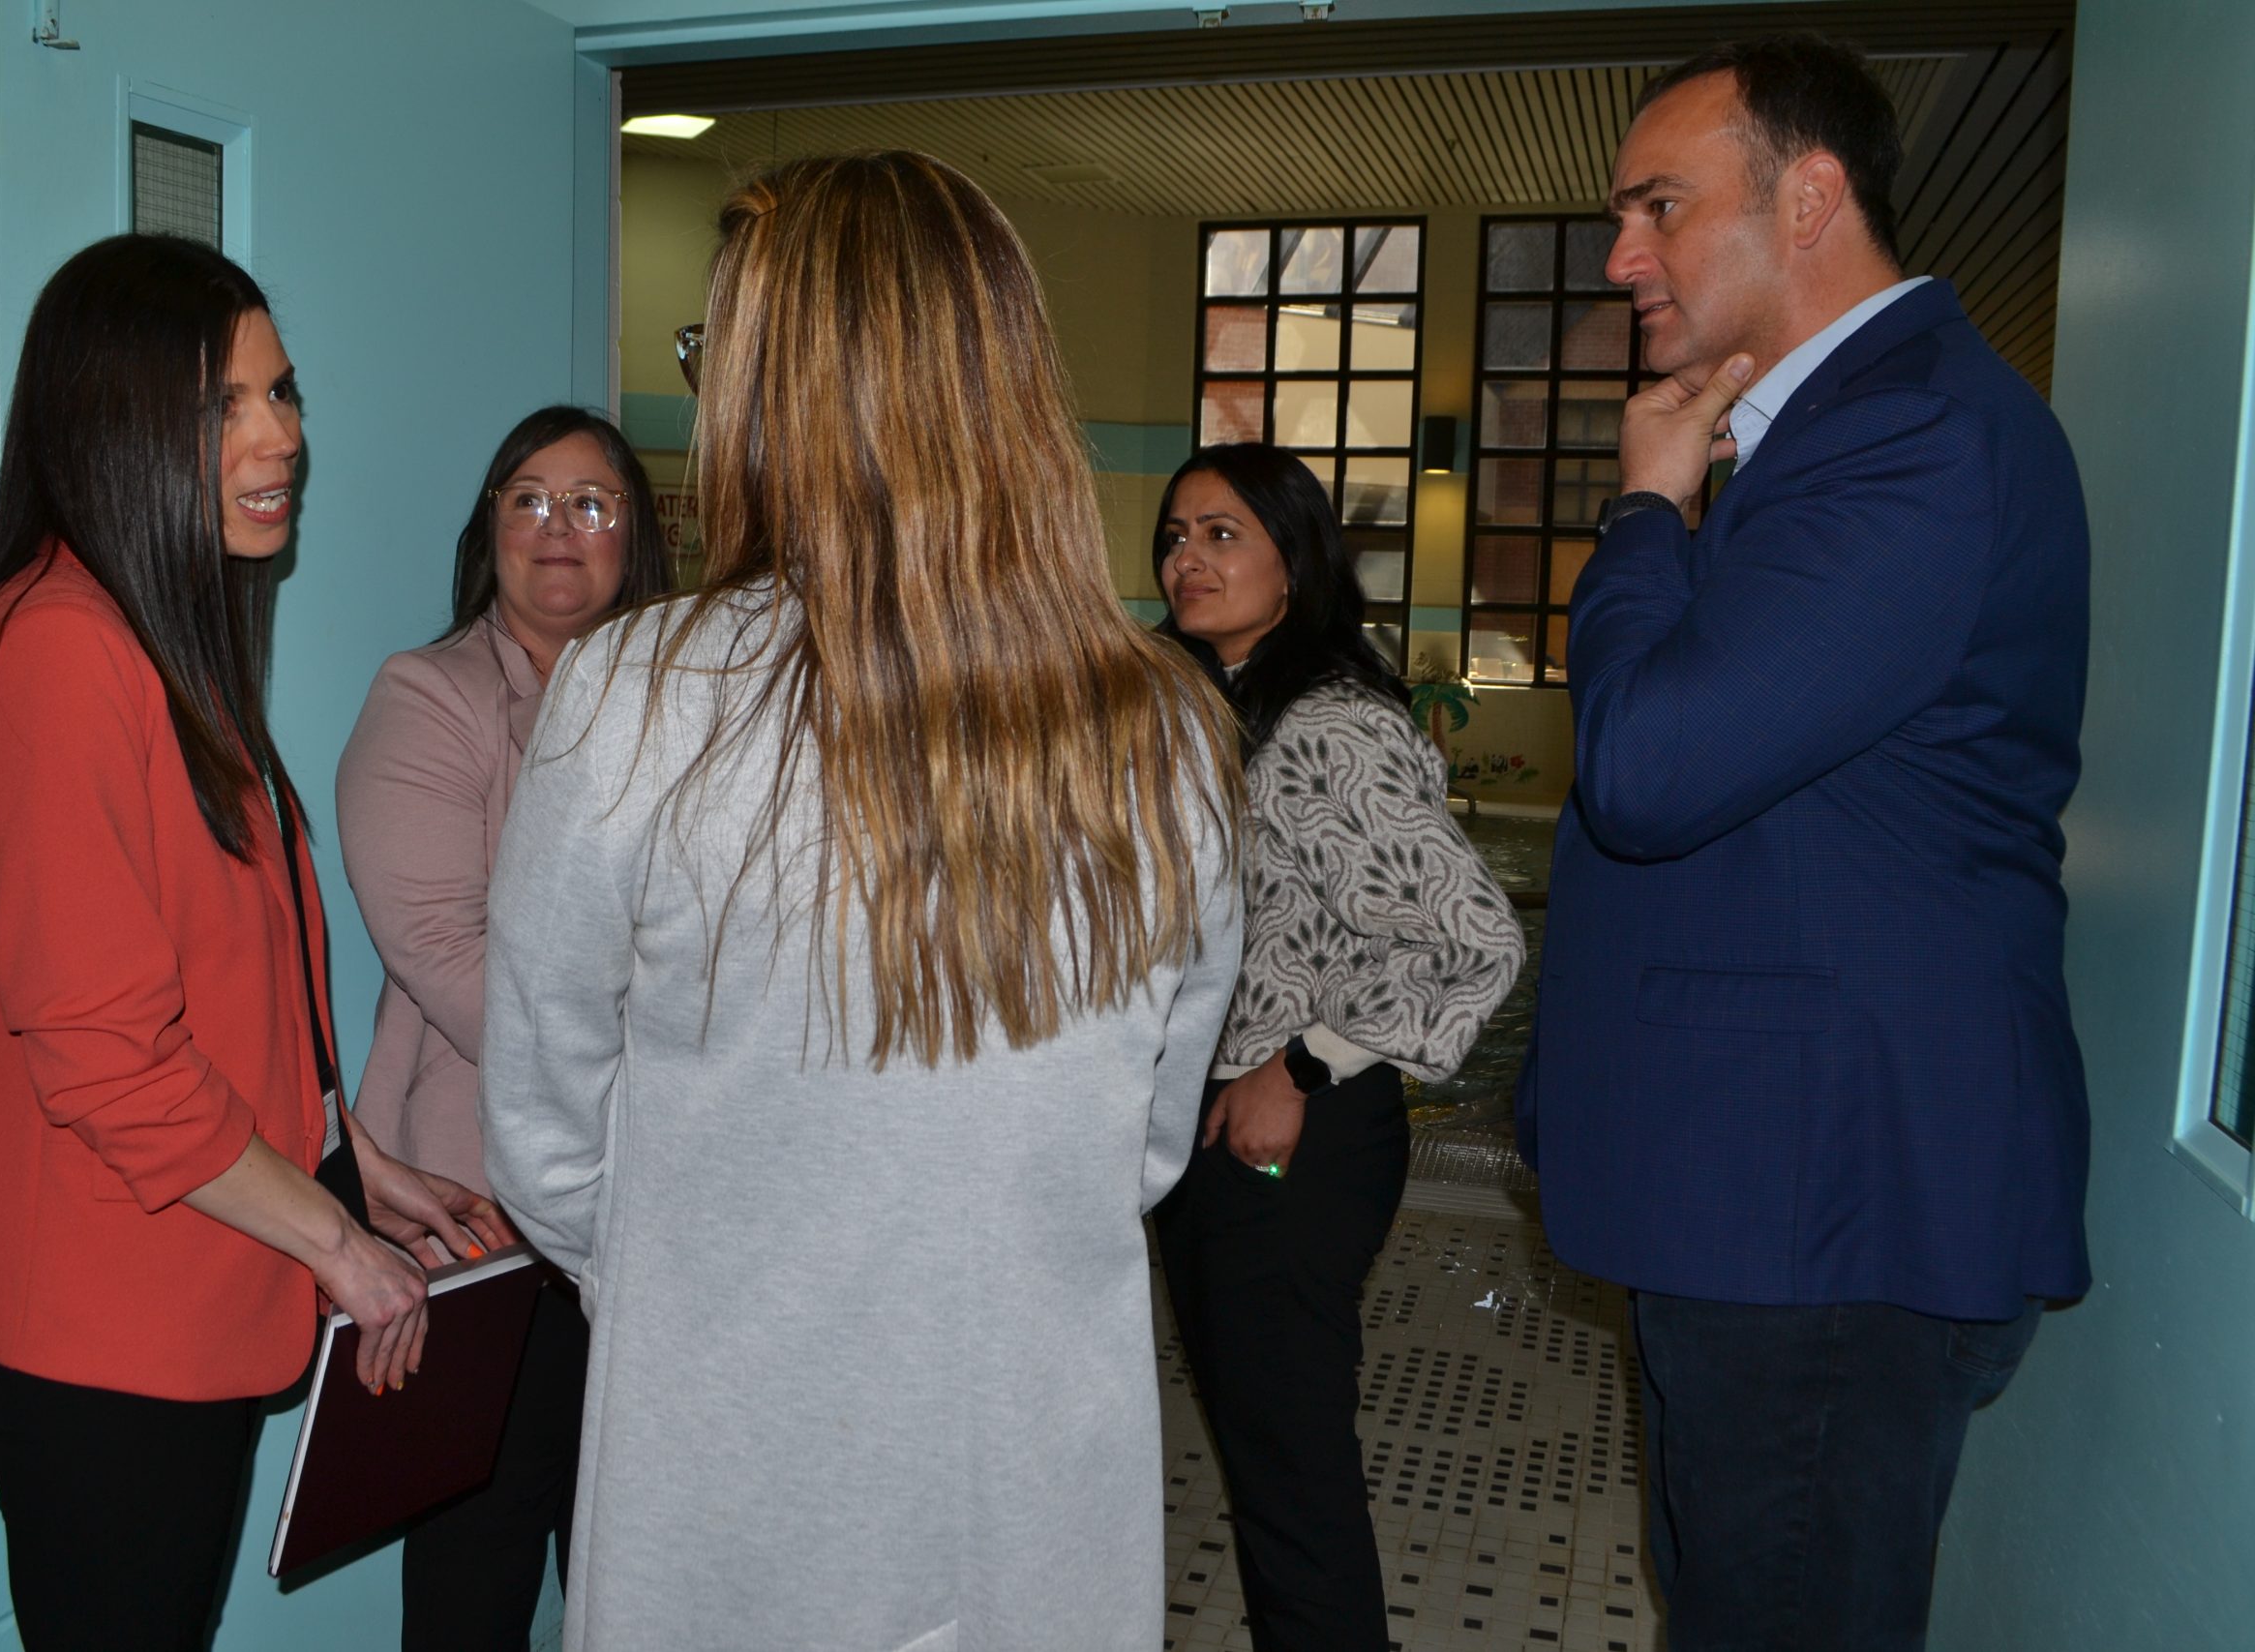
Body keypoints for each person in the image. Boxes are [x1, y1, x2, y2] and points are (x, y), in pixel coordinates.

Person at [476, 151, 1245, 1652]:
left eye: (714, 352)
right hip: (1025, 1456)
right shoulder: (1169, 728)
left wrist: (721, 1245)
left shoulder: (633, 695)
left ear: (776, 389)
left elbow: (549, 1130)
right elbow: (1146, 1135)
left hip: (736, 1466)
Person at [1518, 34, 2091, 1650]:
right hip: (1774, 1196)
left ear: (1813, 195)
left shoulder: (1911, 437)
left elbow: (1648, 761)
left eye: (1660, 206)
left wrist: (1641, 513)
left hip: (1829, 1209)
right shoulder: (1839, 440)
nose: (1623, 253)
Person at [0, 234, 512, 1652]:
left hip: (178, 1283)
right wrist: (341, 1247)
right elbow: (107, 1055)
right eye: (224, 406)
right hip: (95, 1322)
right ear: (114, 426)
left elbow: (227, 983)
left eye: (282, 394)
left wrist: (359, 1156)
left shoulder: (159, 639)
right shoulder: (53, 654)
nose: (279, 435)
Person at [1147, 443, 1523, 1651]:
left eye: (1221, 535)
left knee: (1292, 1474)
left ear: (1294, 563)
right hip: (1234, 1130)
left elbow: (1473, 940)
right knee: (1269, 1463)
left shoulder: (1324, 728)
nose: (1185, 559)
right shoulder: (1233, 706)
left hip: (1288, 1140)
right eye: (1175, 535)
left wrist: (1300, 1065)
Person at [337, 405, 670, 1648]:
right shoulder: (429, 697)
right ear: (489, 531)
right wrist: (664, 1085)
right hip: (485, 1211)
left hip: (656, 1226)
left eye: (592, 501)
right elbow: (441, 953)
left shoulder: (685, 707)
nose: (557, 527)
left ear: (635, 535)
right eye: (526, 498)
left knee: (635, 1575)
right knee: (476, 1578)